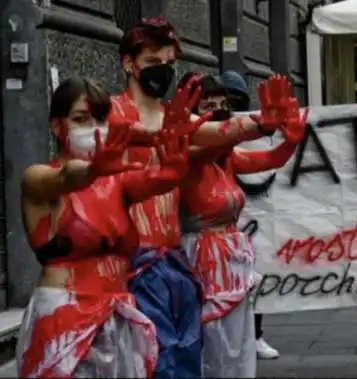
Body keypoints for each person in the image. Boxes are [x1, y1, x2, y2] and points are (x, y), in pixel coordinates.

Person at [111, 17, 282, 378]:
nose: (163, 72)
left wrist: (263, 123)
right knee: (146, 364)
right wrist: (165, 135)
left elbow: (218, 130)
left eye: (170, 65)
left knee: (187, 362)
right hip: (129, 265)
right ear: (129, 63)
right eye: (153, 63)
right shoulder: (112, 113)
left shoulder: (178, 118)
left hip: (174, 263)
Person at [16, 76, 191, 377]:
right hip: (66, 320)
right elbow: (67, 177)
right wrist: (93, 169)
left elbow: (156, 179)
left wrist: (174, 163)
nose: (94, 128)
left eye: (101, 118)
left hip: (117, 315)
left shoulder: (116, 181)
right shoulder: (38, 178)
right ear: (57, 126)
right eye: (81, 119)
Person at [177, 72, 302, 376]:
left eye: (223, 103)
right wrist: (259, 124)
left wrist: (291, 141)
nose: (218, 110)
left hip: (233, 259)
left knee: (240, 340)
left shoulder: (227, 157)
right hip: (202, 260)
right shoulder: (188, 155)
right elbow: (219, 139)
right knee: (213, 343)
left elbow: (270, 160)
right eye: (209, 105)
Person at [219, 69, 281, 360]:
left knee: (252, 275)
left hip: (250, 217)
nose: (230, 106)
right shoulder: (212, 134)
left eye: (236, 100)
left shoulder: (251, 132)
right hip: (219, 226)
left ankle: (254, 334)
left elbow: (270, 158)